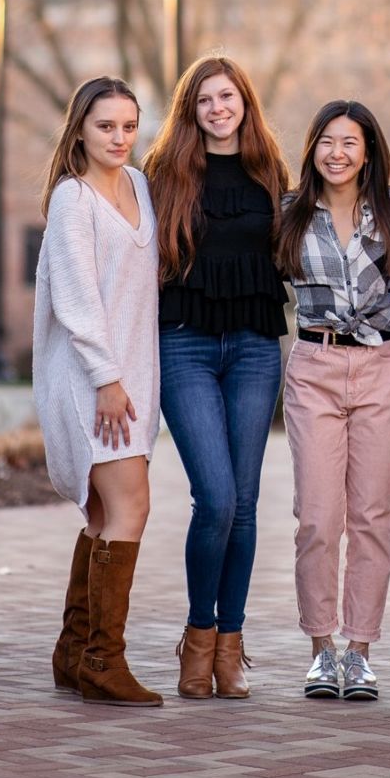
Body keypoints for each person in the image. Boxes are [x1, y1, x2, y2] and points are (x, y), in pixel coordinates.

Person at [142, 55, 289, 700]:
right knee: (218, 498)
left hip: (255, 346)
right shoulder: (163, 175)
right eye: (204, 100)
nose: (217, 108)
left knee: (248, 501)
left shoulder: (270, 174)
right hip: (187, 347)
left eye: (227, 96)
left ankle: (229, 650)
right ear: (190, 110)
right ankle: (197, 640)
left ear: (245, 103)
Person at [32, 76, 163, 708]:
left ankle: (72, 653)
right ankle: (103, 660)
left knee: (106, 515)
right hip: (93, 382)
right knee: (130, 509)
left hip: (133, 377)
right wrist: (106, 379)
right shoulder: (72, 199)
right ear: (80, 128)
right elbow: (77, 300)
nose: (119, 138)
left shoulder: (139, 185)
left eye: (129, 126)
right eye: (106, 125)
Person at [276, 101, 390, 701]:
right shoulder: (288, 213)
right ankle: (320, 650)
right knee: (318, 517)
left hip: (381, 365)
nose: (337, 153)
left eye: (349, 143)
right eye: (326, 141)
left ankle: (359, 652)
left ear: (368, 150)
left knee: (373, 516)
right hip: (314, 365)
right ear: (313, 150)